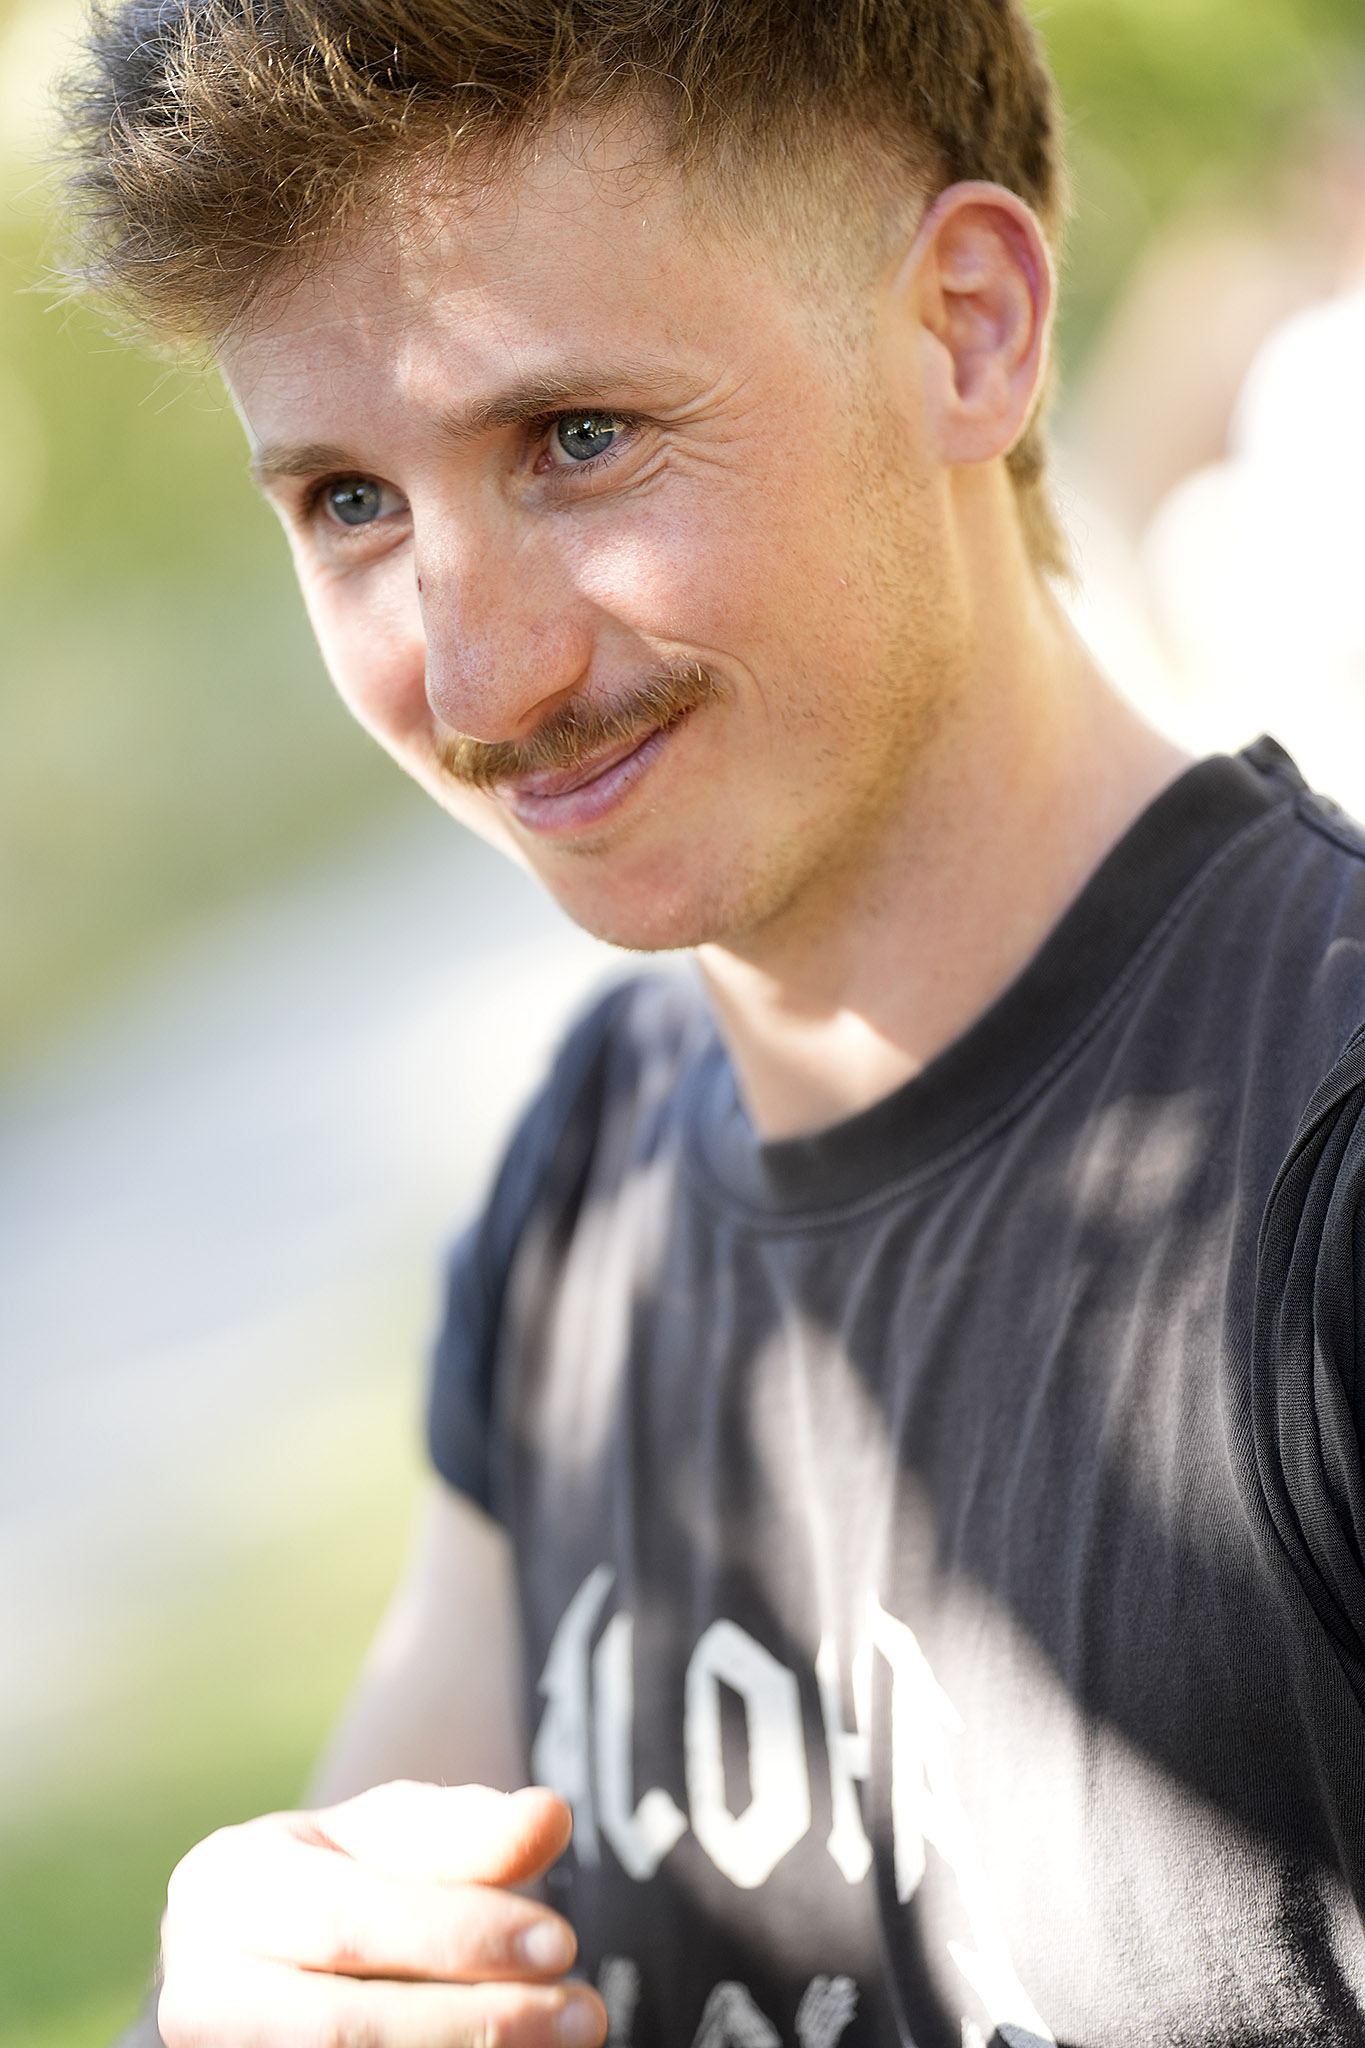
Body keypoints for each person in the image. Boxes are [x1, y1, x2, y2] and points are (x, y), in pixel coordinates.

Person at [63, 2, 1365, 2043]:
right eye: (347, 503)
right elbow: (378, 1888)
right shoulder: (589, 1180)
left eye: (576, 439)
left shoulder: (1323, 1166)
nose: (474, 678)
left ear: (965, 329)